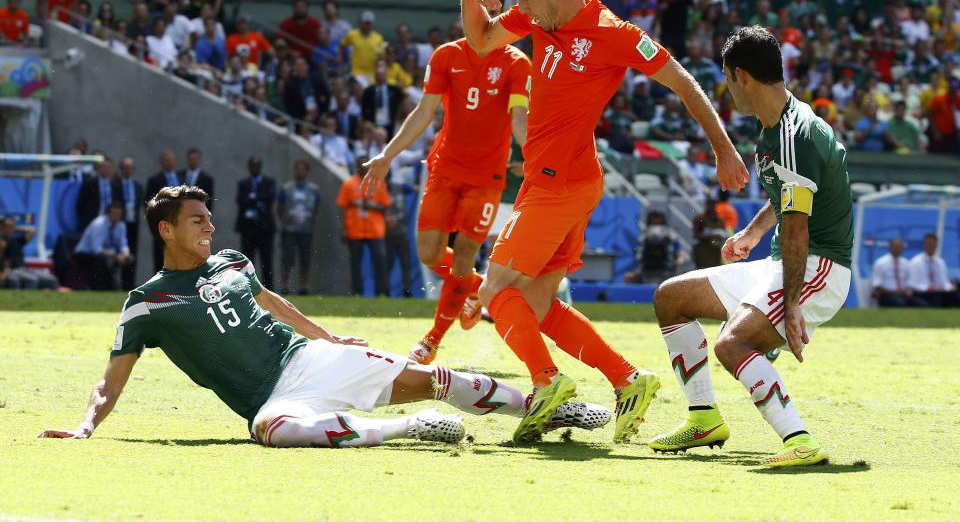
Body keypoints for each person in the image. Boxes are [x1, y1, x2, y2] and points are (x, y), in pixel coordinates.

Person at [40, 186, 610, 447]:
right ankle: (408, 430)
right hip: (273, 396)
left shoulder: (234, 262)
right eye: (197, 221)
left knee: (436, 380)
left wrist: (327, 336)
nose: (210, 227)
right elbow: (111, 377)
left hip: (309, 359)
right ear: (166, 230)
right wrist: (87, 426)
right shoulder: (146, 302)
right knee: (271, 430)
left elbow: (272, 303)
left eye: (209, 218)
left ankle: (544, 408)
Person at [459, 0, 749, 443]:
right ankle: (628, 380)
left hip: (558, 184)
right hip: (563, 181)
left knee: (495, 290)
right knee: (539, 302)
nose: (519, 11)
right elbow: (483, 40)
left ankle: (547, 383)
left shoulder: (614, 34)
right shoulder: (540, 19)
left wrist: (724, 150)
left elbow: (683, 82)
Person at [648, 26, 853, 467]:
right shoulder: (777, 127)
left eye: (726, 79)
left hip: (819, 267)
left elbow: (798, 228)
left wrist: (792, 304)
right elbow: (788, 199)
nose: (726, 90)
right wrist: (754, 234)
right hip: (783, 261)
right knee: (671, 297)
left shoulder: (794, 135)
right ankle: (703, 418)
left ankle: (799, 440)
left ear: (740, 76)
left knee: (732, 343)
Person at [362, 34, 530, 363]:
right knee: (428, 254)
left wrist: (536, 160)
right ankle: (479, 288)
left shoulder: (516, 63)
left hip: (487, 176)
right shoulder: (446, 55)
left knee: (465, 255)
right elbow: (424, 112)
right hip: (444, 169)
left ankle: (432, 340)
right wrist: (387, 155)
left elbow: (520, 117)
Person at [338, 158, 390, 296]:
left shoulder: (379, 182)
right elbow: (342, 207)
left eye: (366, 164)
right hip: (355, 229)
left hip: (375, 230)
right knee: (355, 264)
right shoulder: (348, 184)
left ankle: (381, 292)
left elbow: (385, 207)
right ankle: (357, 292)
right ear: (356, 166)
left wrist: (372, 206)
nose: (364, 167)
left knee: (379, 262)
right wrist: (343, 229)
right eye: (360, 165)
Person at [277, 160, 320, 295]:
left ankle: (303, 286)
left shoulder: (313, 189)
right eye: (297, 169)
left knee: (305, 259)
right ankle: (285, 285)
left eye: (303, 169)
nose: (300, 172)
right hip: (289, 229)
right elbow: (279, 207)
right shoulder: (286, 188)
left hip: (306, 229)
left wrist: (311, 220)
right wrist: (285, 220)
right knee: (287, 259)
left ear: (307, 172)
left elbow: (317, 207)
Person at [235, 156, 276, 290]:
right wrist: (258, 199)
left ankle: (268, 289)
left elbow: (269, 198)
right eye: (252, 166)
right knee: (247, 260)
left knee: (266, 260)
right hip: (248, 228)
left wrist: (253, 197)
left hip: (265, 228)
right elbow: (241, 201)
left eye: (257, 165)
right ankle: (247, 287)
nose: (255, 168)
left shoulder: (269, 182)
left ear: (261, 167)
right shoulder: (243, 183)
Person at [74, 202, 133, 290]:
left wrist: (125, 255)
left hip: (108, 254)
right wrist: (116, 256)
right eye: (114, 214)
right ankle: (99, 288)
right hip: (84, 255)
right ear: (108, 214)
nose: (116, 216)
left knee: (128, 260)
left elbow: (123, 245)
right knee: (100, 261)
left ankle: (127, 290)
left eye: (119, 214)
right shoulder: (99, 224)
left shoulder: (121, 226)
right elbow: (97, 250)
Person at [145, 149, 181, 273]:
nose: (169, 163)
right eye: (166, 161)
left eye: (171, 160)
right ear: (161, 163)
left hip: (179, 222)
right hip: (162, 221)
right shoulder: (154, 180)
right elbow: (149, 202)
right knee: (160, 253)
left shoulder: (182, 177)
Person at [0, 216, 58, 289]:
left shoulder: (16, 241)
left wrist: (15, 229)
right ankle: (24, 299)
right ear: (2, 227)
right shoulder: (2, 241)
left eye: (11, 226)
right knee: (32, 280)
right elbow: (6, 264)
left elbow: (32, 230)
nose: (10, 229)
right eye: (7, 226)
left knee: (52, 280)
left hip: (23, 269)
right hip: (12, 270)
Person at [112, 157, 143, 291]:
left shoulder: (137, 186)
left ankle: (129, 285)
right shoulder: (116, 185)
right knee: (120, 252)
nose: (127, 170)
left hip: (133, 223)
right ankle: (116, 283)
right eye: (125, 168)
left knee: (132, 254)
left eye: (130, 168)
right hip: (120, 223)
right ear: (121, 169)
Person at [907, 233, 956, 307]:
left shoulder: (940, 262)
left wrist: (950, 287)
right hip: (922, 293)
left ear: (936, 245)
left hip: (938, 292)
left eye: (933, 244)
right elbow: (911, 284)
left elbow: (944, 282)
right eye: (929, 244)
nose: (931, 247)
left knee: (954, 296)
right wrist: (927, 287)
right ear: (924, 245)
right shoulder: (915, 262)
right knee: (935, 297)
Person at [340, 11, 386, 80]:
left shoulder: (378, 38)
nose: (367, 25)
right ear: (360, 23)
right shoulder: (352, 35)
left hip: (372, 73)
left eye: (369, 23)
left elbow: (381, 56)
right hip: (356, 72)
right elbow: (342, 46)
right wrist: (343, 60)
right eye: (365, 23)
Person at [76, 157, 115, 230]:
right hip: (93, 219)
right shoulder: (90, 183)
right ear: (99, 168)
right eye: (104, 167)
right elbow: (80, 203)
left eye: (108, 167)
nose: (106, 170)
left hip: (110, 220)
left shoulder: (115, 184)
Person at [871, 238, 912, 307]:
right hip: (886, 295)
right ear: (890, 247)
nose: (897, 249)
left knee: (920, 303)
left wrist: (908, 291)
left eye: (899, 247)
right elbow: (877, 285)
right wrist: (894, 292)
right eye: (895, 247)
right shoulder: (880, 263)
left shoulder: (906, 263)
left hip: (903, 295)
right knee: (900, 304)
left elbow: (909, 283)